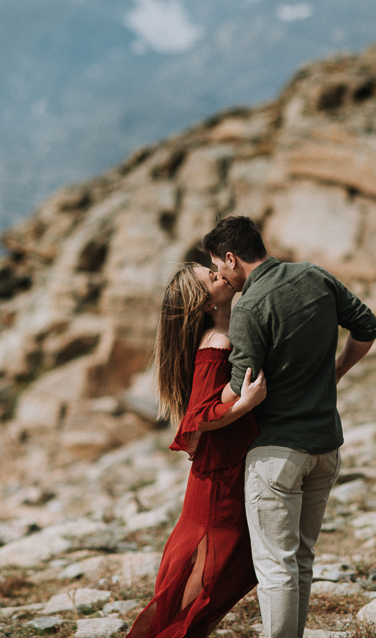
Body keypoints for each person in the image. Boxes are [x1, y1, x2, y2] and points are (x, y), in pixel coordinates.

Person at [201, 215, 376, 638]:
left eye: (218, 265)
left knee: (275, 565)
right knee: (301, 558)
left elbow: (240, 383)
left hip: (277, 453)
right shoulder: (314, 275)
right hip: (326, 445)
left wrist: (203, 406)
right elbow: (367, 327)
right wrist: (335, 372)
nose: (221, 275)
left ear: (232, 258)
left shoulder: (250, 304)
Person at [127, 262, 267, 638]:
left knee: (215, 578)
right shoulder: (217, 341)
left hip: (221, 472)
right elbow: (199, 418)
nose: (220, 273)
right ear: (206, 303)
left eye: (214, 269)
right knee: (209, 578)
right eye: (212, 277)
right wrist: (244, 404)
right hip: (218, 483)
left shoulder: (221, 334)